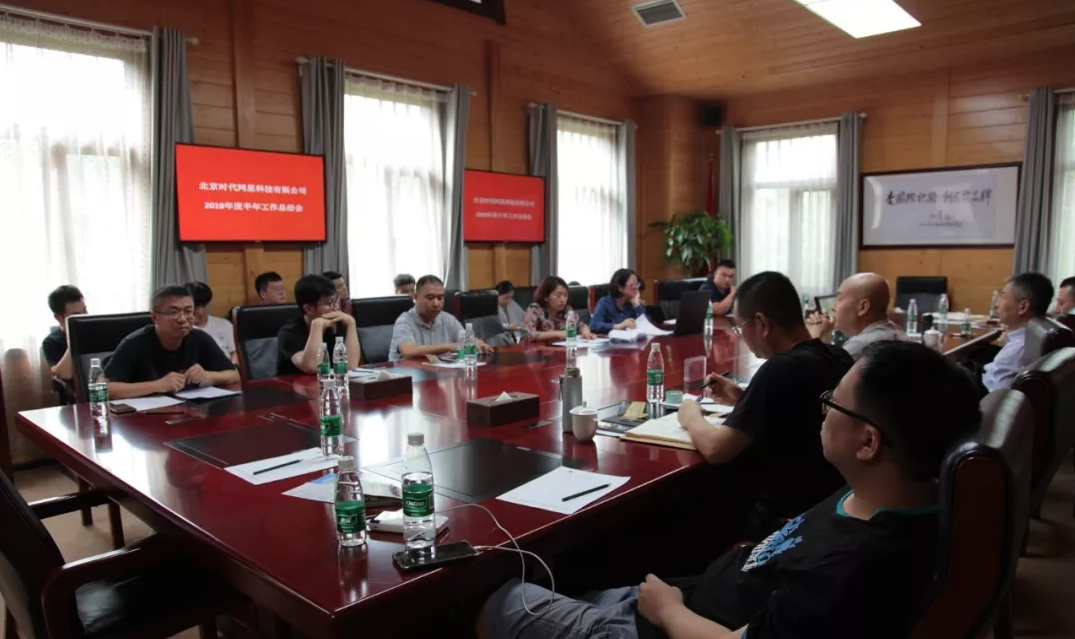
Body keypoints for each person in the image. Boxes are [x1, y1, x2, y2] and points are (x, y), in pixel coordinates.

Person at [480, 341, 981, 639]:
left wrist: (669, 612)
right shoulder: (893, 497)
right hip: (691, 596)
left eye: (833, 403)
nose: (823, 411)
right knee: (573, 580)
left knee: (496, 600)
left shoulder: (850, 570)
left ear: (868, 442)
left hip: (666, 624)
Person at [678, 271, 853, 539]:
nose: (741, 336)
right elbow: (798, 410)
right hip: (827, 507)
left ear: (762, 323)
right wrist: (743, 397)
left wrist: (691, 414)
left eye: (740, 327)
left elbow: (716, 449)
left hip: (780, 521)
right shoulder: (838, 357)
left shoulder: (779, 369)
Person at [105, 286, 239, 399]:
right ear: (155, 317)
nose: (182, 319)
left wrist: (208, 376)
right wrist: (158, 385)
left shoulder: (199, 338)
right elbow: (105, 389)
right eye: (173, 312)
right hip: (145, 415)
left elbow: (235, 374)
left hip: (190, 411)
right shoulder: (134, 343)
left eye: (188, 312)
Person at [389, 275, 491, 361]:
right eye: (430, 298)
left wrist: (476, 343)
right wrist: (448, 347)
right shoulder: (404, 321)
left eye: (440, 298)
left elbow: (465, 341)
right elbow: (408, 351)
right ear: (415, 297)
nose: (436, 303)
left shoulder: (448, 318)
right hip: (406, 375)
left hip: (435, 373)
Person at [806, 272, 906, 360]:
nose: (833, 307)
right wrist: (825, 335)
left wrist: (814, 339)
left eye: (839, 298)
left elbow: (816, 374)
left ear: (863, 307)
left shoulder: (859, 346)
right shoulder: (897, 332)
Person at [982, 272, 1054, 392]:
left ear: (1023, 306)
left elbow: (997, 396)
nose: (997, 304)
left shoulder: (1018, 350)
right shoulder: (1027, 338)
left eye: (1003, 296)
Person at [276, 274, 361, 376]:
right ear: (308, 309)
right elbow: (312, 366)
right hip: (293, 385)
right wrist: (317, 326)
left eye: (336, 301)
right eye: (329, 303)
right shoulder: (290, 332)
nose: (336, 308)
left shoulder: (337, 324)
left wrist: (351, 323)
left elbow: (351, 365)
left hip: (330, 383)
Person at [42, 285, 86, 403]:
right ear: (59, 317)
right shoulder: (51, 342)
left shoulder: (98, 332)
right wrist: (74, 336)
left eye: (85, 311)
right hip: (77, 401)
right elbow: (64, 374)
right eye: (77, 314)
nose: (84, 317)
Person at [524, 276, 595, 342]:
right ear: (546, 296)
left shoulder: (567, 309)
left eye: (565, 295)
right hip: (539, 350)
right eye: (558, 295)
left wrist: (586, 332)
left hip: (562, 349)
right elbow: (527, 334)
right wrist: (557, 334)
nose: (563, 300)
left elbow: (581, 325)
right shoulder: (535, 309)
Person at [185, 282, 237, 363]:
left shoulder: (224, 324)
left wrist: (234, 367)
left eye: (204, 306)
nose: (200, 312)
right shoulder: (182, 330)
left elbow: (235, 352)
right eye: (195, 307)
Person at [590, 269, 645, 334]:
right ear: (620, 288)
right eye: (632, 285)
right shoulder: (605, 302)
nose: (636, 288)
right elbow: (594, 325)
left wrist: (637, 306)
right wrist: (620, 326)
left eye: (637, 284)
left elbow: (647, 325)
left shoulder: (633, 303)